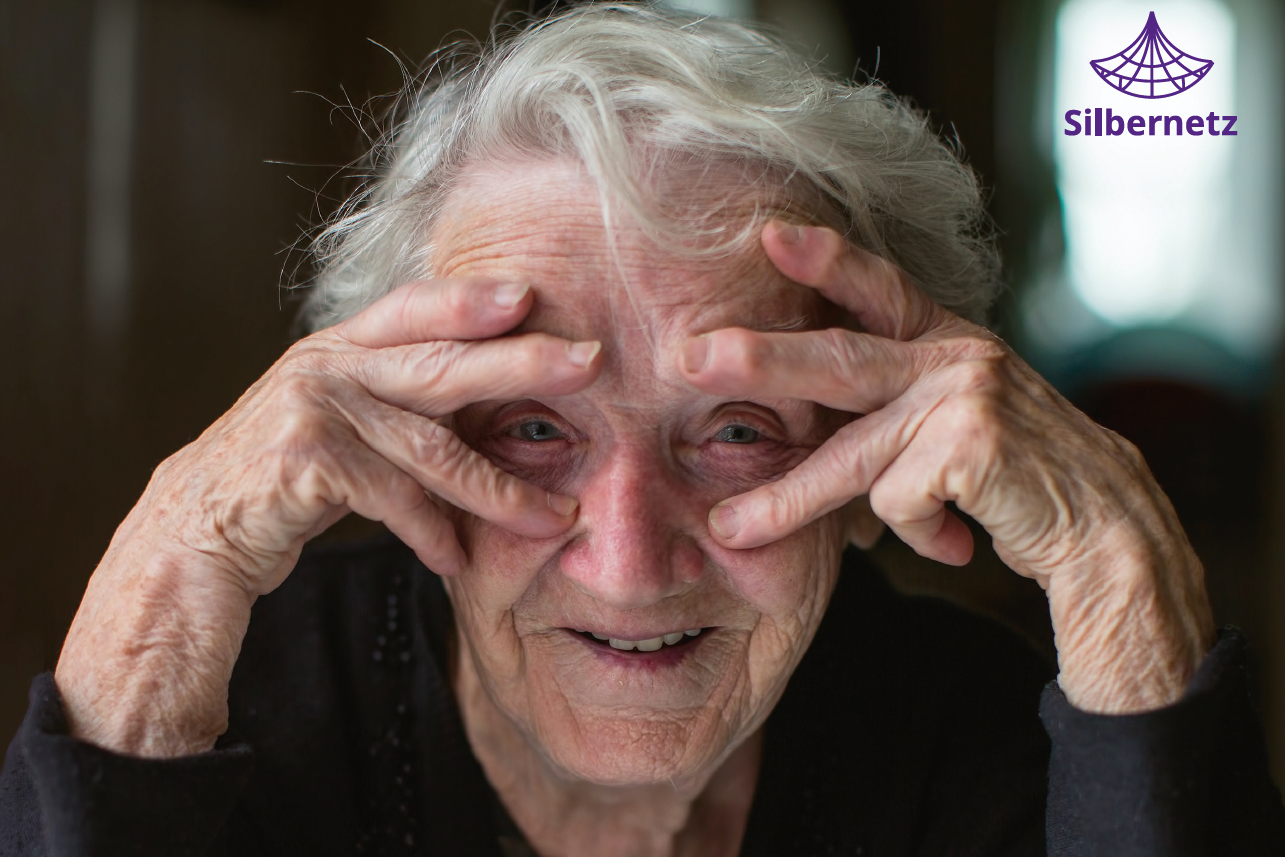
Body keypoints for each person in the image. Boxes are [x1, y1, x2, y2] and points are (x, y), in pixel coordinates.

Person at [2, 4, 1283, 855]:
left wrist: (1121, 572)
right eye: (527, 429)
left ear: (877, 442)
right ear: (391, 434)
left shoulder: (980, 742)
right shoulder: (243, 720)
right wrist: (173, 558)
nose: (627, 563)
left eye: (734, 429)